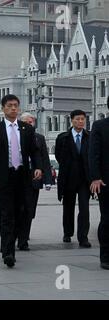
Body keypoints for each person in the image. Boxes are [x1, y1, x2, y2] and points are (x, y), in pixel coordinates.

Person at [0, 94, 42, 268]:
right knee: (6, 214)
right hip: (3, 177)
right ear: (3, 108)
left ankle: (10, 244)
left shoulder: (26, 129)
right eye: (9, 105)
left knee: (21, 212)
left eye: (16, 105)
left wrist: (38, 167)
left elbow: (34, 151)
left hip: (23, 176)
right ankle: (8, 251)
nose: (13, 108)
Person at [55, 109, 91, 248]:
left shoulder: (90, 136)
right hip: (68, 178)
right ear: (72, 120)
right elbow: (59, 156)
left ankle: (83, 237)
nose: (80, 121)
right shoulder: (63, 137)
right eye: (78, 119)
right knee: (68, 207)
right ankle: (67, 232)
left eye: (83, 119)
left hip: (84, 179)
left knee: (84, 208)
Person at [17, 112, 52, 251]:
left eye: (32, 122)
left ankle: (24, 237)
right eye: (28, 122)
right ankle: (18, 234)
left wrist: (47, 179)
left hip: (34, 178)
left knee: (30, 209)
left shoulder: (39, 138)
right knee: (18, 208)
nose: (30, 124)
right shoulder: (15, 135)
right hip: (18, 177)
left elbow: (44, 159)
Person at [89, 96, 109, 269]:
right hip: (105, 182)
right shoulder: (100, 126)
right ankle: (106, 256)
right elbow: (93, 154)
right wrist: (95, 177)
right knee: (107, 219)